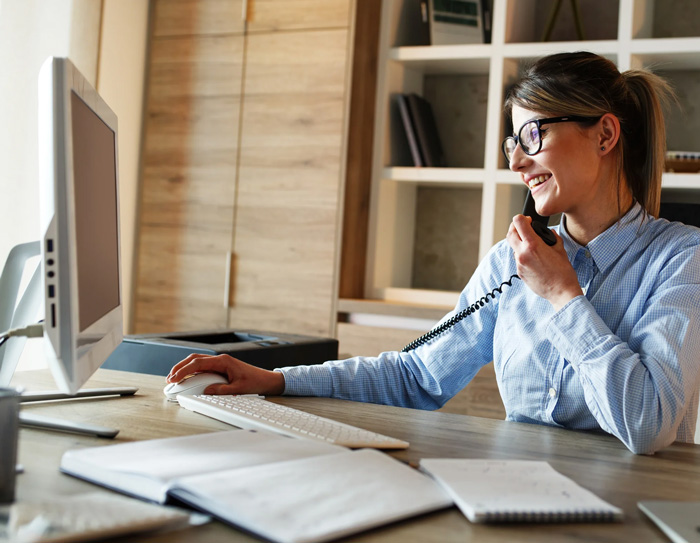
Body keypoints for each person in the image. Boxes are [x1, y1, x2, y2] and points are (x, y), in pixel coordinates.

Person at [167, 51, 700, 455]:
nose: (518, 163)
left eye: (532, 135)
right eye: (512, 144)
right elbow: (417, 377)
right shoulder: (511, 262)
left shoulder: (681, 257)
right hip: (510, 495)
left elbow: (648, 424)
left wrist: (563, 295)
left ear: (605, 133)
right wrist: (276, 380)